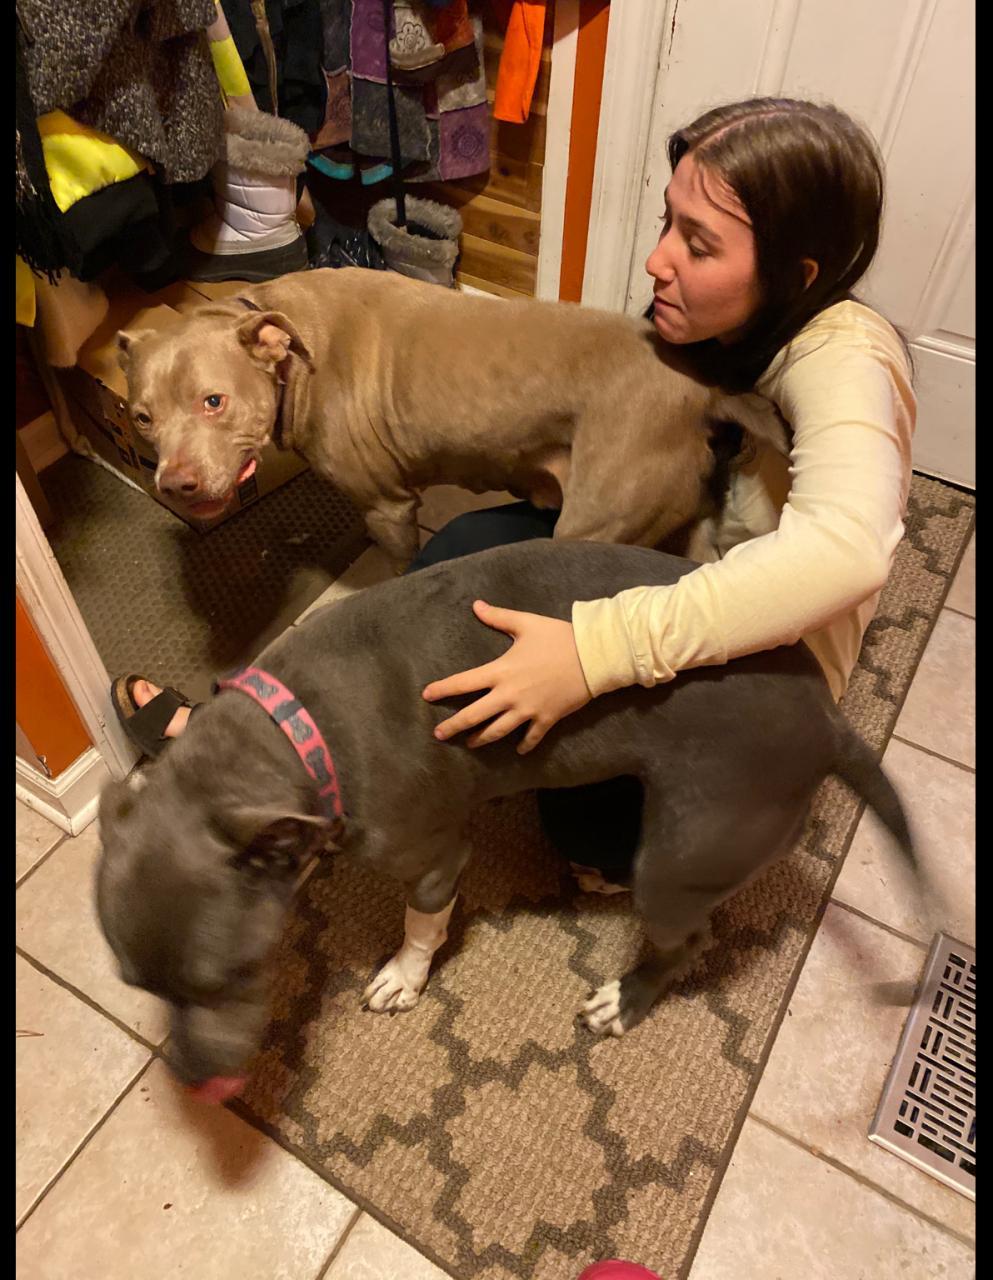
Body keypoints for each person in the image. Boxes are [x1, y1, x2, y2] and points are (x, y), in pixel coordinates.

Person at [113, 96, 914, 880]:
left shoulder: (847, 360)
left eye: (697, 245)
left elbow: (844, 555)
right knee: (453, 564)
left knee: (574, 814)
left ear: (795, 275)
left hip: (758, 671)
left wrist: (596, 651)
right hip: (683, 547)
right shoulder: (713, 321)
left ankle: (318, 786)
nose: (656, 261)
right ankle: (282, 752)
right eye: (666, 222)